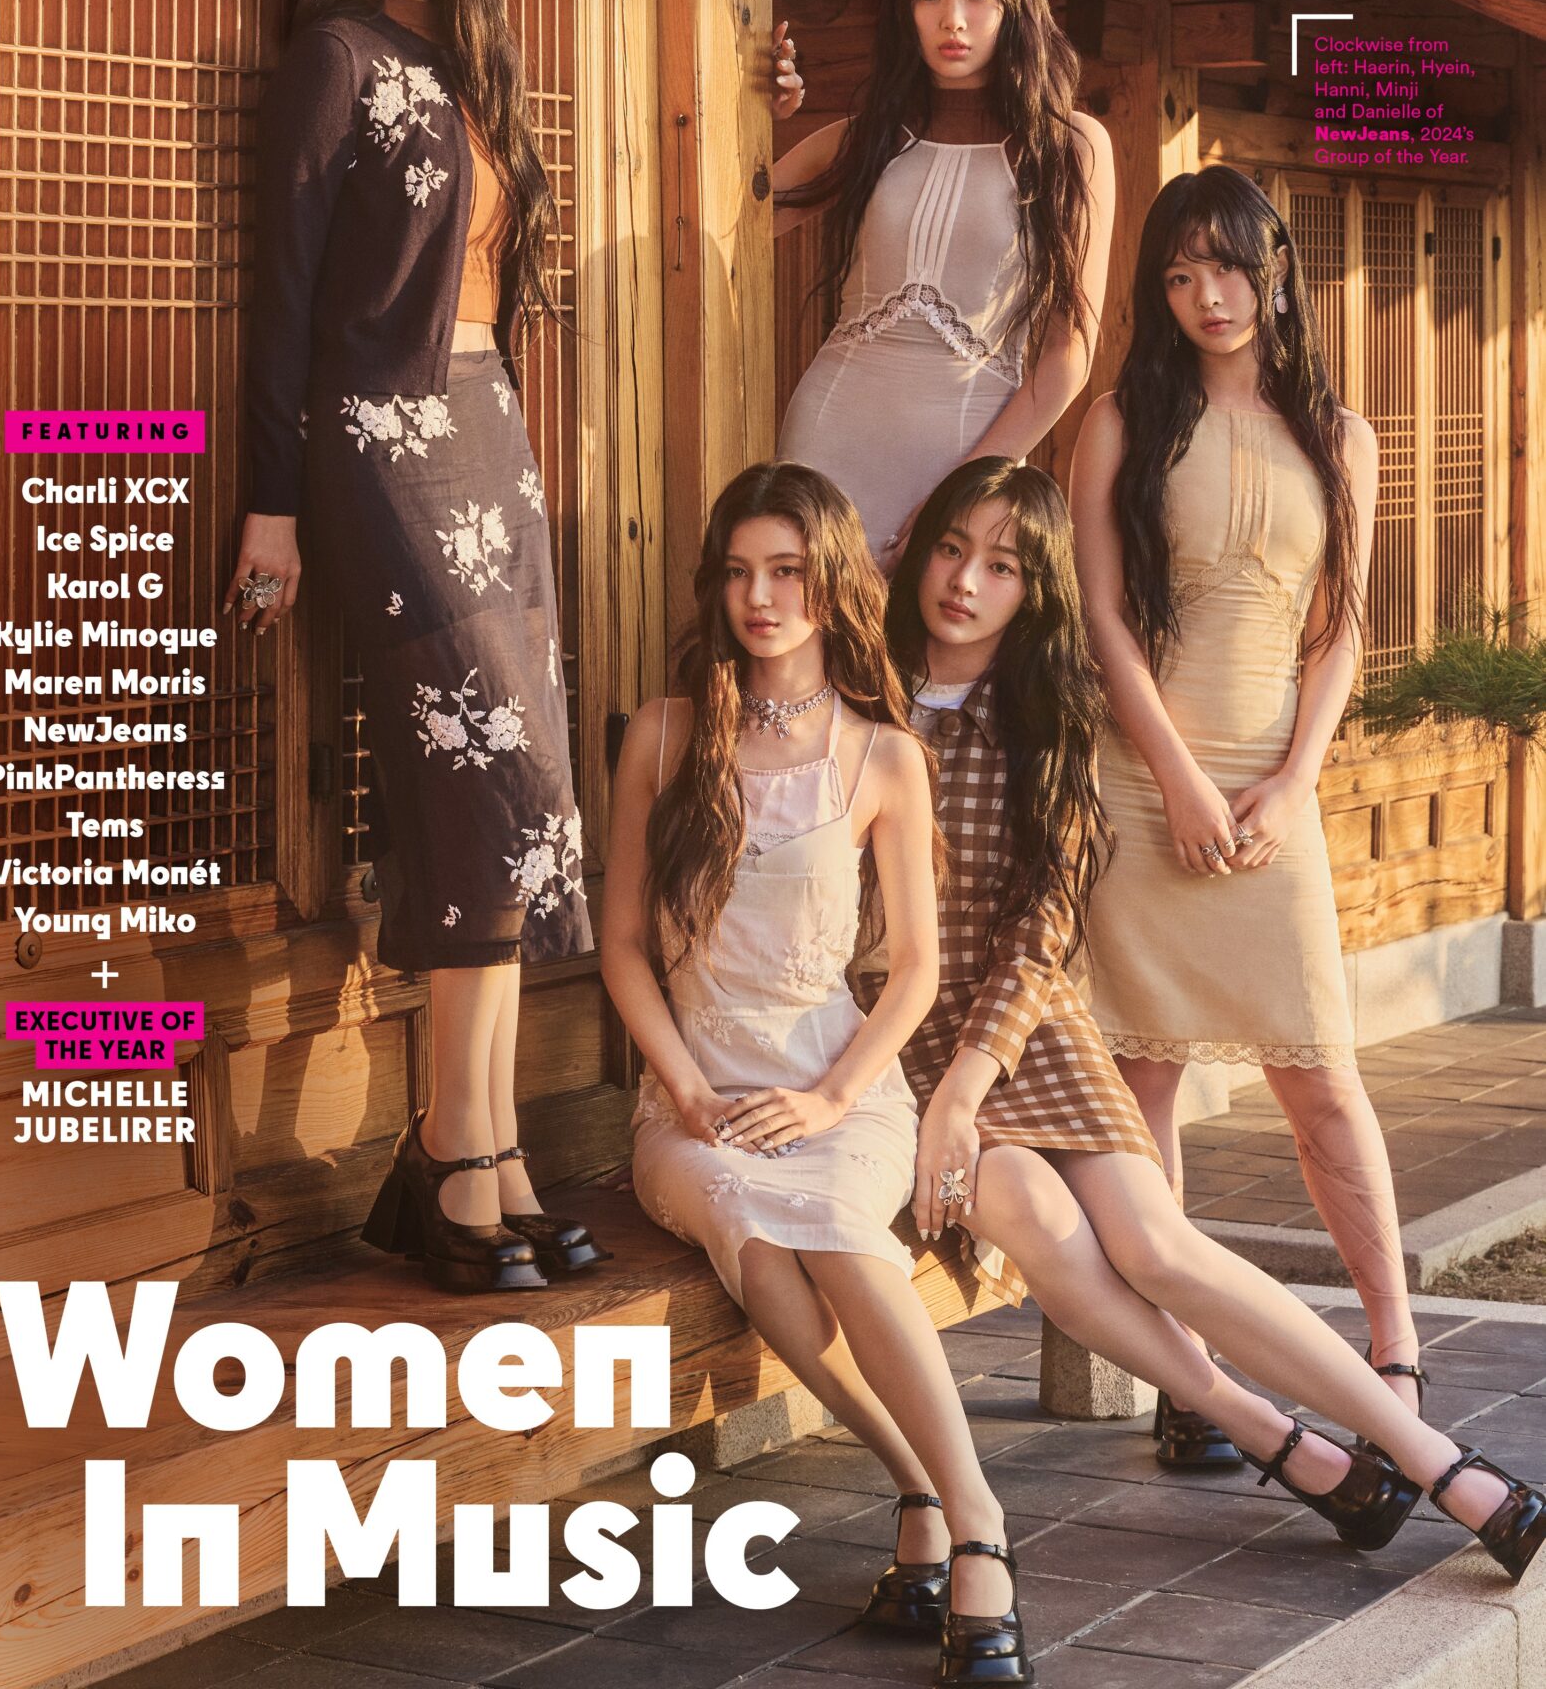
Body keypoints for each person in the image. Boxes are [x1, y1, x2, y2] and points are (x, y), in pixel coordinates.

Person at [881, 456, 1546, 1588]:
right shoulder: (865, 698)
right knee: (1033, 1211)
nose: (964, 582)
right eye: (951, 550)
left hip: (1019, 1029)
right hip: (893, 1044)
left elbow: (1041, 928)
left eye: (1001, 565)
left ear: (1034, 590)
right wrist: (938, 1092)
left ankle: (1432, 1460)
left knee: (1154, 1244)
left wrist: (971, 1079)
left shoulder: (1048, 715)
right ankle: (1276, 1435)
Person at [224, 0, 605, 1292]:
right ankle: (451, 1150)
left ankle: (483, 1145)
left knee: (521, 796)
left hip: (490, 432)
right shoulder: (332, 61)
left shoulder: (467, 59)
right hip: (383, 447)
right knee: (485, 776)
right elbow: (285, 299)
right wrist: (271, 498)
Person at [602, 462, 1031, 1687]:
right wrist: (686, 1087)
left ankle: (971, 1518)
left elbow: (914, 972)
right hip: (692, 1100)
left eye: (786, 571)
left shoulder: (883, 755)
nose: (759, 596)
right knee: (747, 1222)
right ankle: (923, 1486)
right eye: (739, 572)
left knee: (840, 1227)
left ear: (831, 582)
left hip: (837, 1086)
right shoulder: (664, 734)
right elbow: (622, 945)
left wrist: (832, 1097)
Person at [1070, 164, 1418, 1457]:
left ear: (1275, 269)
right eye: (1178, 274)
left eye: (1226, 265)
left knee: (1319, 1075)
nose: (1207, 295)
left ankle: (1394, 1351)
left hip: (1275, 787)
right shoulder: (1120, 420)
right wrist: (1172, 776)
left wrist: (1295, 778)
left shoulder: (1340, 436)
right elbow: (1099, 614)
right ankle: (1188, 1375)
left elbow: (1340, 632)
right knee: (1143, 1080)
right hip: (1142, 779)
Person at [770, 0, 1113, 569]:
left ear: (1012, 2)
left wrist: (962, 492)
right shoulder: (868, 138)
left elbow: (1066, 357)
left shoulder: (1069, 147)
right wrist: (761, 112)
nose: (952, 19)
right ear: (906, 8)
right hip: (828, 443)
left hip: (967, 461)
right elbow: (735, 219)